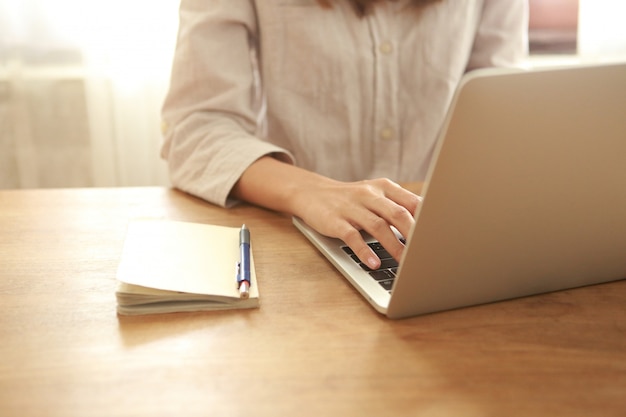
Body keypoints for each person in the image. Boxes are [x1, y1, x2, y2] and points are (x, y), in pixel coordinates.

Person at [161, 0, 528, 269]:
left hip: (446, 240)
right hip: (297, 245)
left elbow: (503, 112)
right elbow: (196, 128)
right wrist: (308, 191)